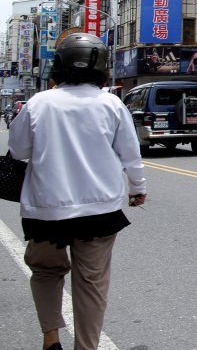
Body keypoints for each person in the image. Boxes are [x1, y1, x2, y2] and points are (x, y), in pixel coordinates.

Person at [9, 32, 147, 350]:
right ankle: (86, 347)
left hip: (45, 209)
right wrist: (138, 189)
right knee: (91, 284)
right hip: (100, 212)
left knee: (46, 271)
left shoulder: (38, 103)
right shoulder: (111, 104)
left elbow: (17, 151)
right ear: (102, 68)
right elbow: (131, 156)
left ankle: (50, 339)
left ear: (58, 67)